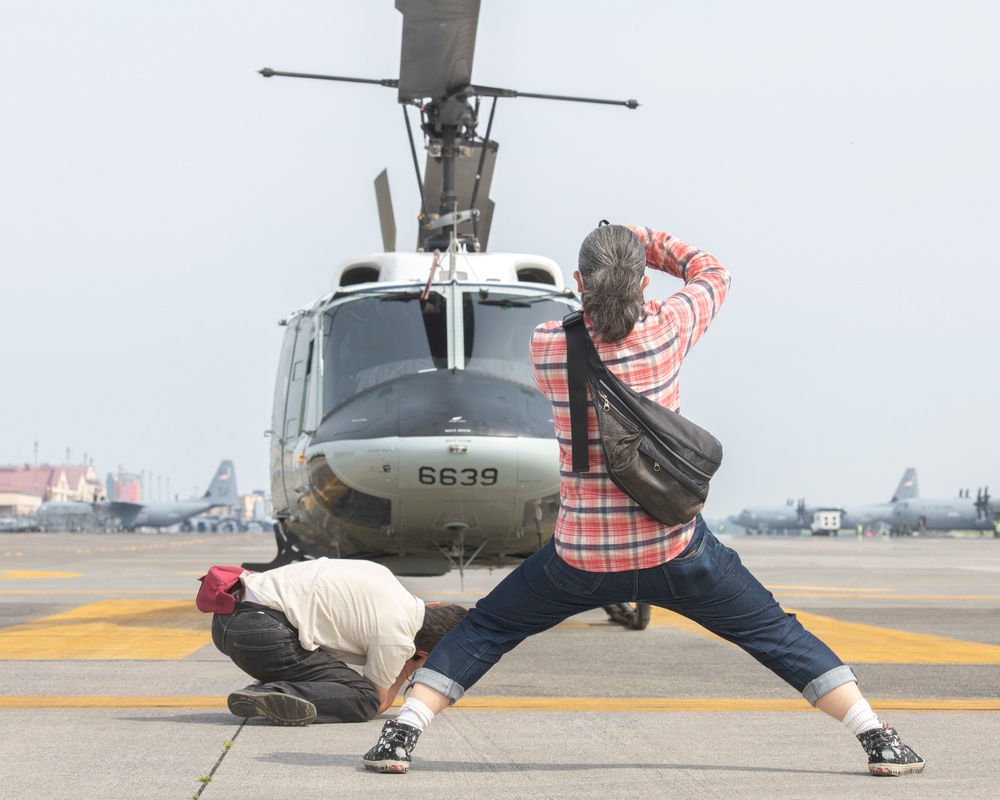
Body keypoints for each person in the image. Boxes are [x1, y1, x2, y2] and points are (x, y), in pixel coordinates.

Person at [361, 223, 925, 777]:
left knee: (487, 628)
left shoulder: (549, 347)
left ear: (579, 281)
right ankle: (877, 737)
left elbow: (585, 324)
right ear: (643, 286)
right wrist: (645, 241)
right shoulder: (667, 330)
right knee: (775, 634)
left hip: (578, 560)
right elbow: (713, 271)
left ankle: (403, 730)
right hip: (675, 549)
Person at [211, 557, 467, 725]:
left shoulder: (383, 576)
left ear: (434, 604)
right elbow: (378, 702)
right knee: (363, 698)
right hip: (260, 635)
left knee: (324, 653)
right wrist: (408, 666)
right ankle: (275, 692)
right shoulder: (398, 637)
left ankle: (277, 683)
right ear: (423, 651)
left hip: (227, 618)